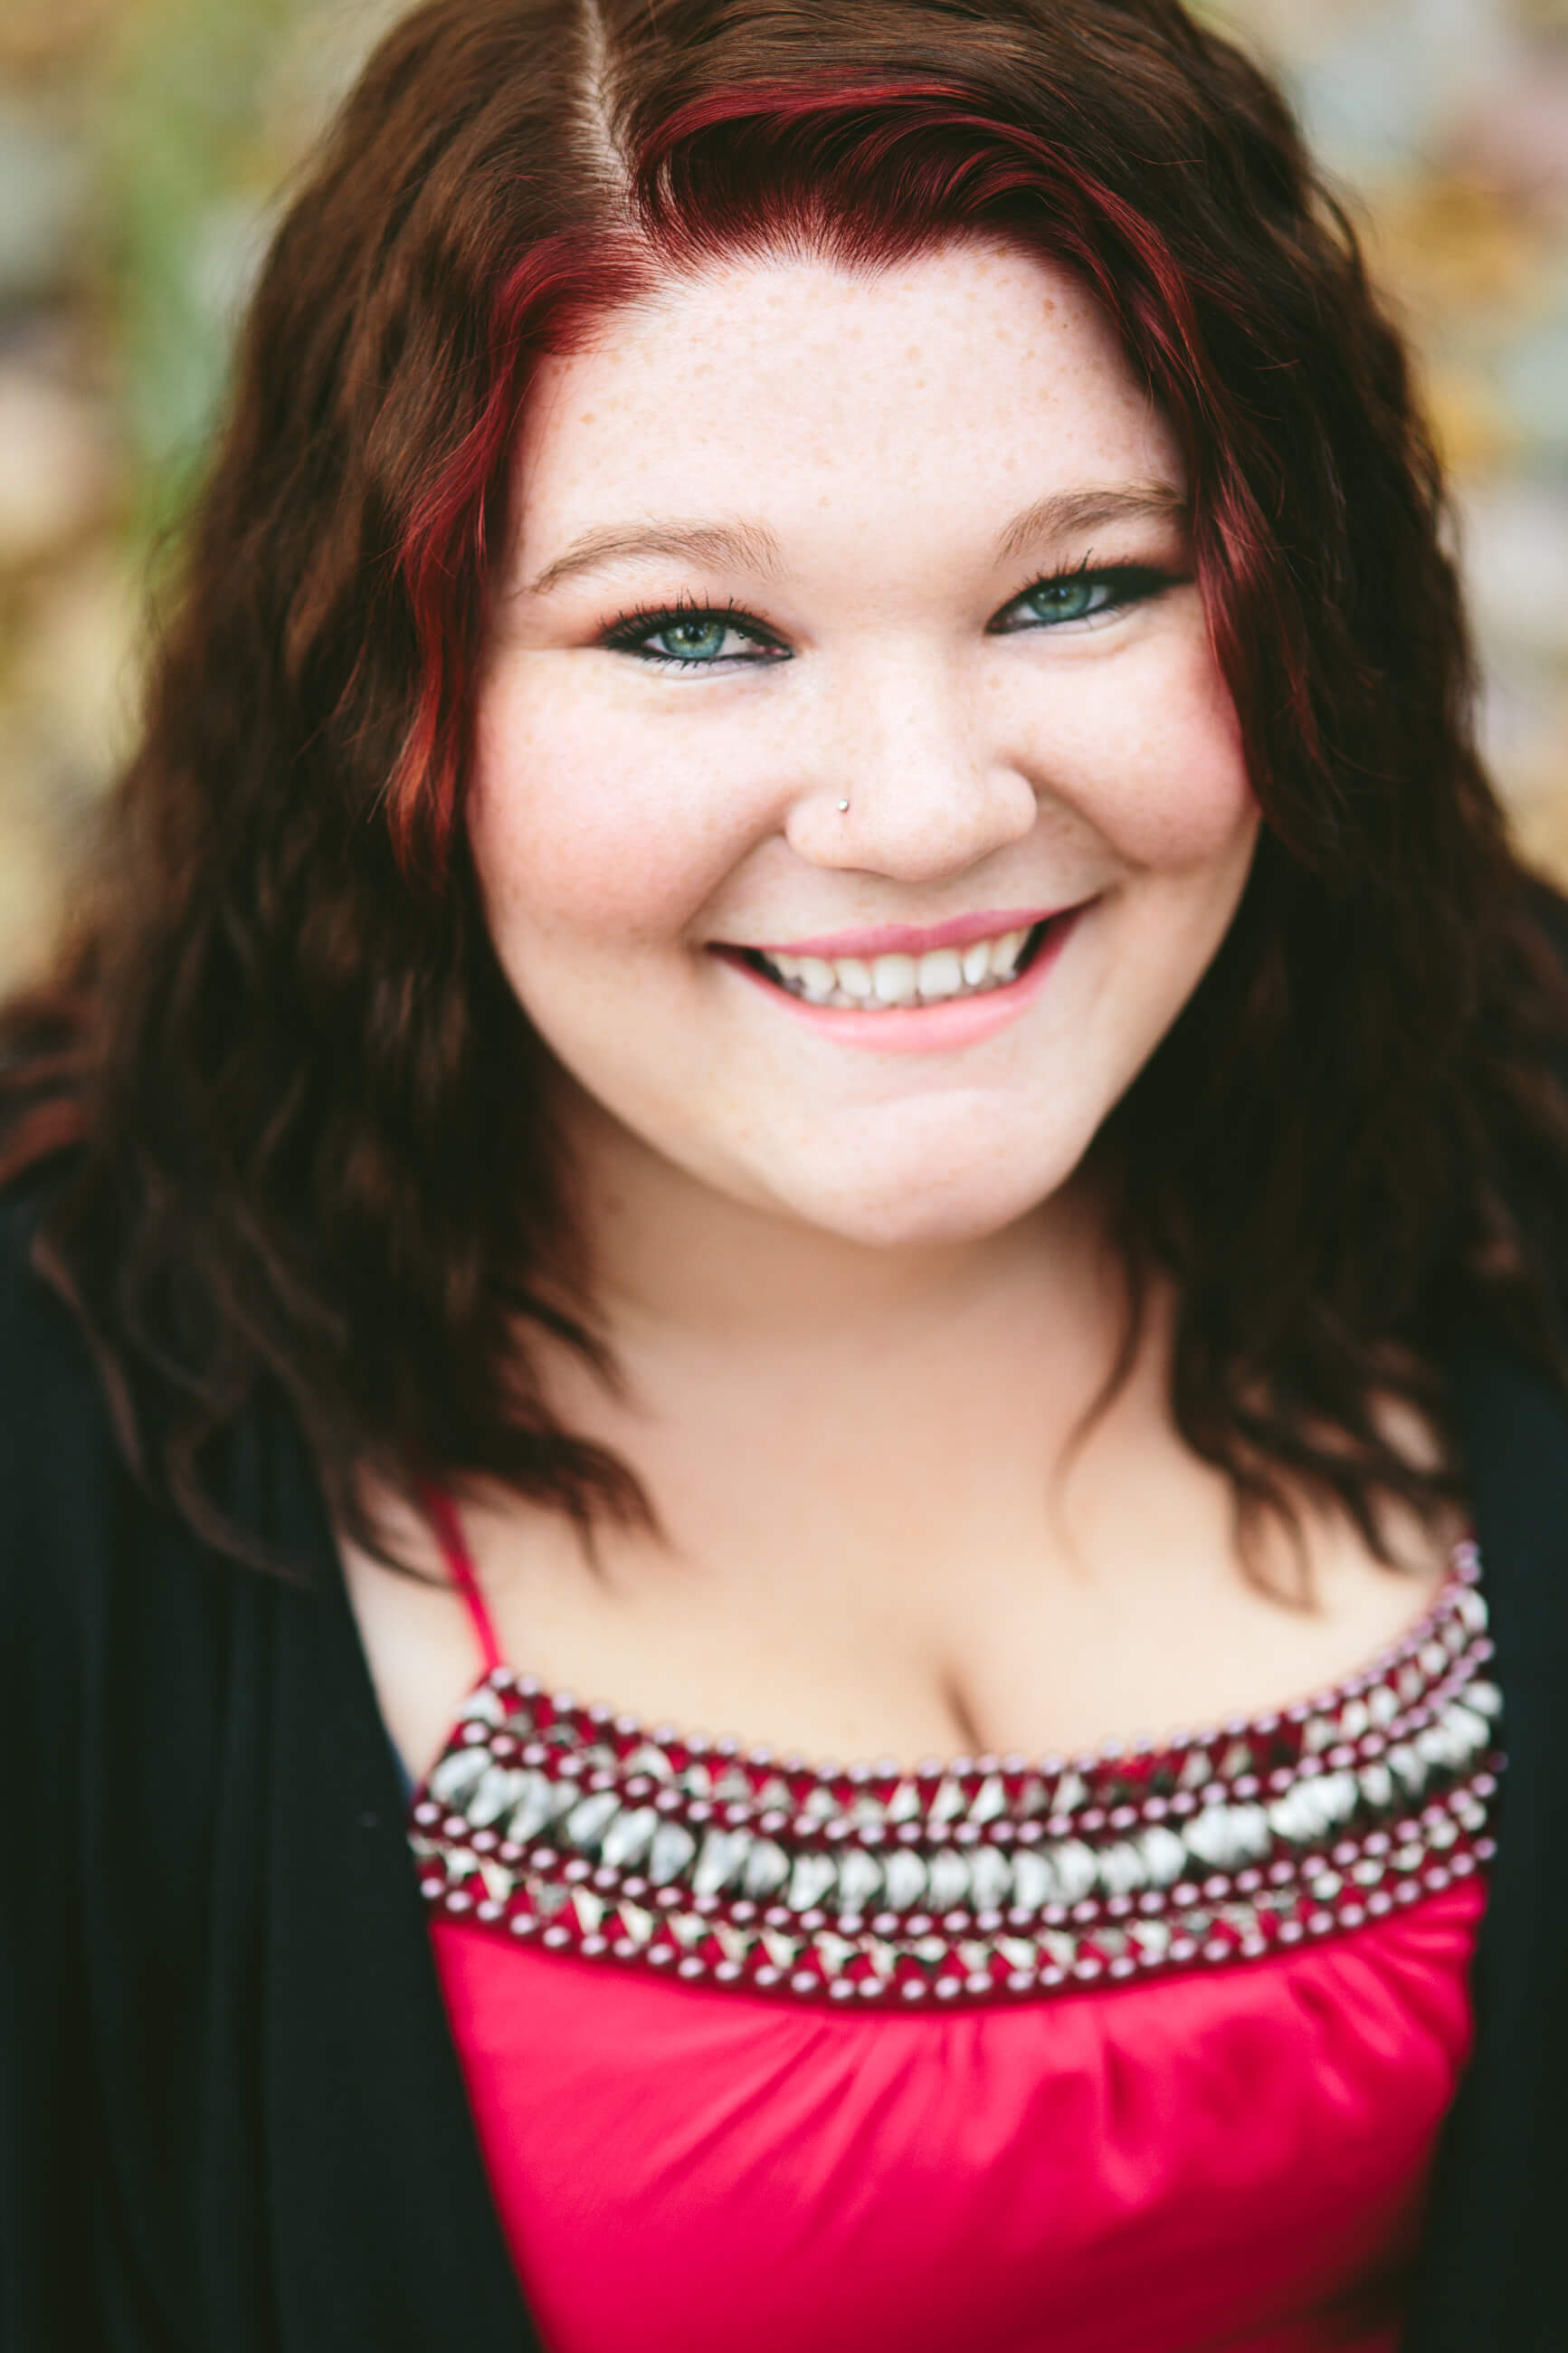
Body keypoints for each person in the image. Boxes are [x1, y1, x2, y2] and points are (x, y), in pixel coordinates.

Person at [4, 0, 1568, 2346]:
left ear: (1304, 598)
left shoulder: (1524, 1142)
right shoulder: (60, 1451)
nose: (923, 807)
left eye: (1082, 589)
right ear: (392, 696)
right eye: (691, 630)